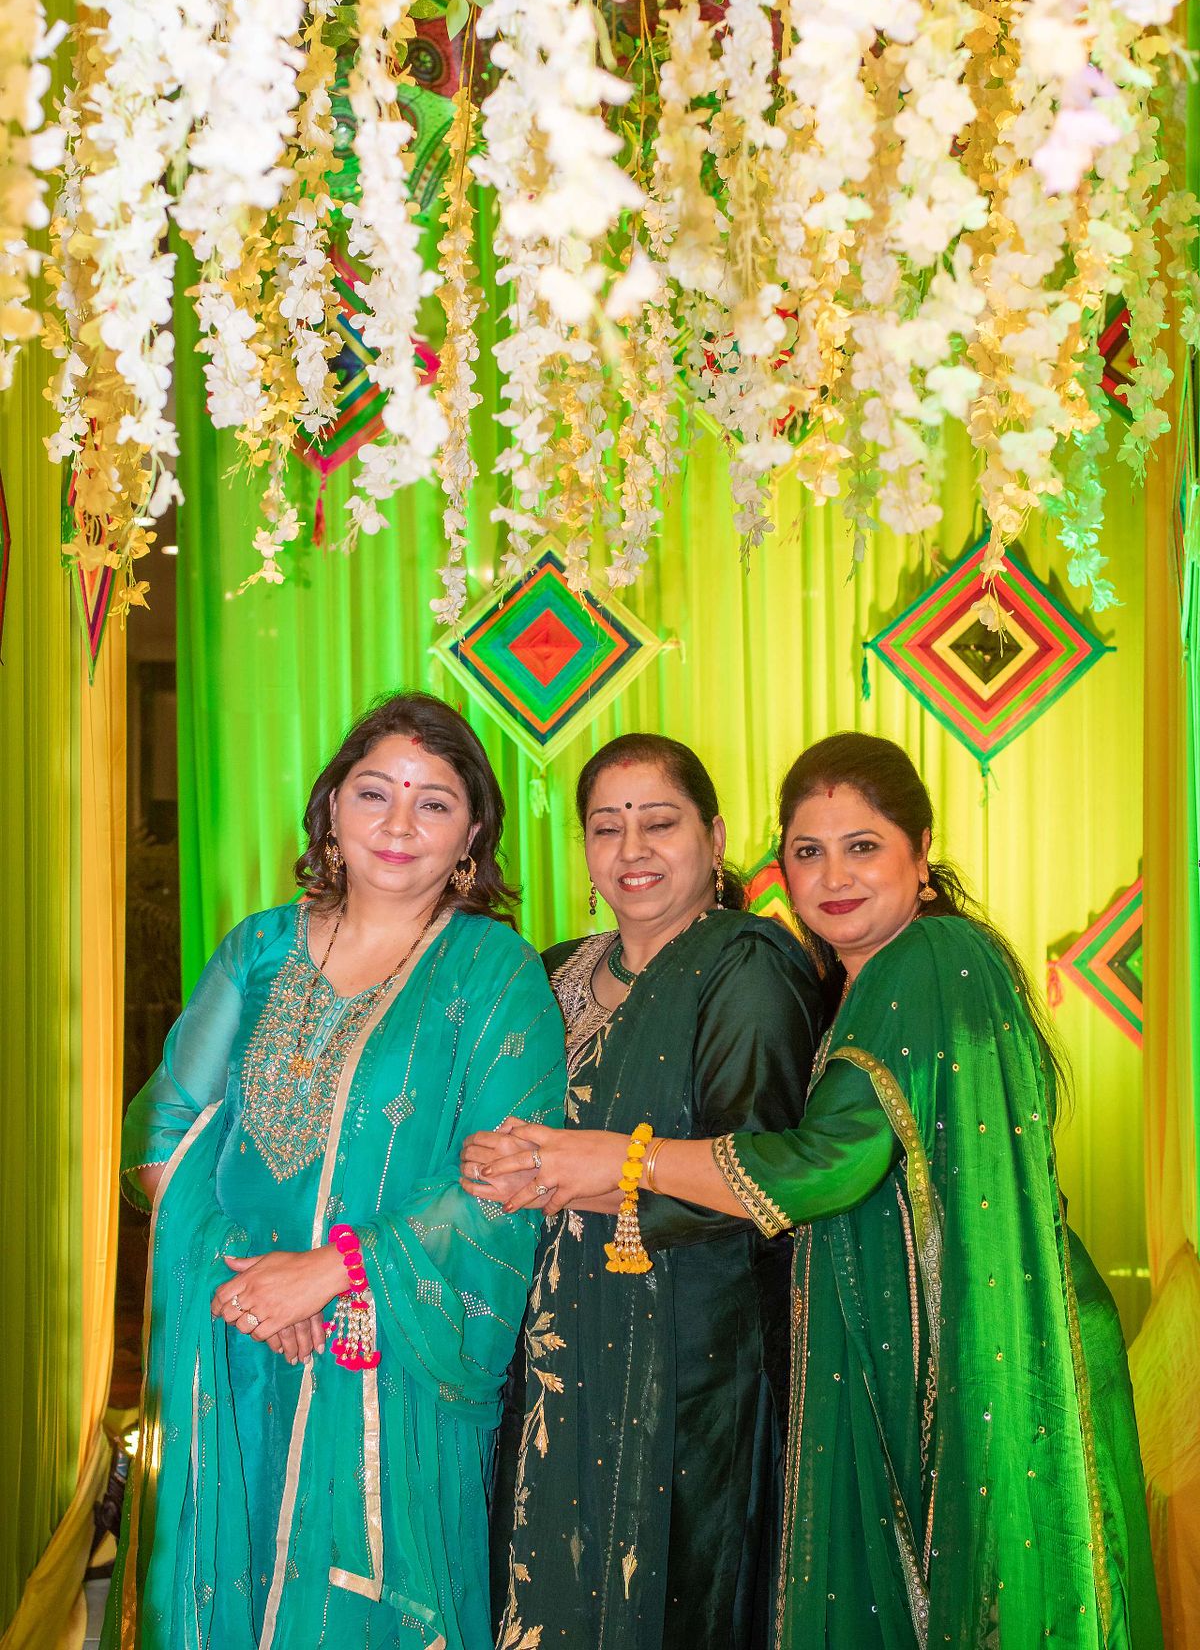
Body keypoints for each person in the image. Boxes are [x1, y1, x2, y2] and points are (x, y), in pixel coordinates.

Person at [468, 732, 1163, 1650]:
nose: (834, 875)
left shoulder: (931, 956)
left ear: (921, 851)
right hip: (905, 1340)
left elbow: (820, 1163)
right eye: (807, 851)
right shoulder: (858, 986)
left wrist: (619, 1163)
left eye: (862, 846)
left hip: (969, 1346)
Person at [104, 692, 566, 1650]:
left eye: (434, 803)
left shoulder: (495, 973)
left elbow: (509, 1177)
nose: (399, 825)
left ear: (472, 834)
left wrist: (333, 1273)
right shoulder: (260, 948)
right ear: (331, 810)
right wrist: (253, 1285)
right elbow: (162, 1128)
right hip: (236, 1337)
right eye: (374, 793)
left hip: (383, 1351)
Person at [462, 734, 830, 1650]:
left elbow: (762, 1178)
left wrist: (588, 1172)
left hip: (687, 1366)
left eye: (659, 823)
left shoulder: (746, 964)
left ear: (715, 837)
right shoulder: (550, 970)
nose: (632, 850)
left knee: (670, 1601)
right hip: (546, 1350)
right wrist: (485, 1159)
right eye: (606, 828)